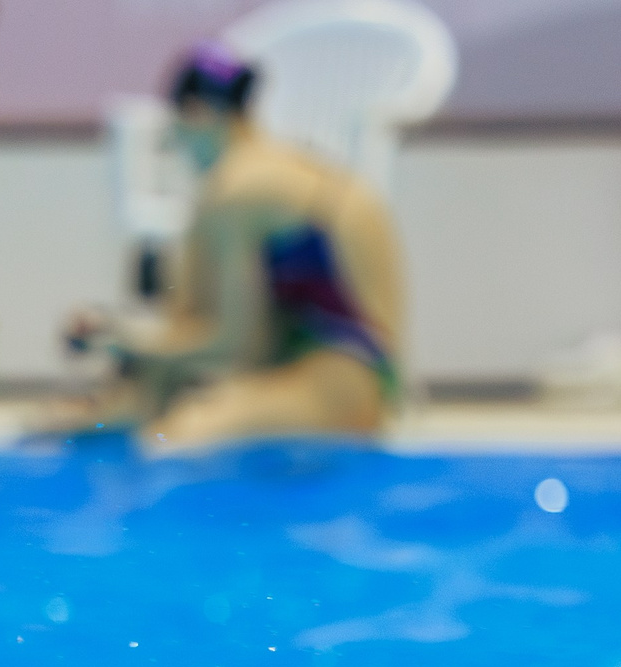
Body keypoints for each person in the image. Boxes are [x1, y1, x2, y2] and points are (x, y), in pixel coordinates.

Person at [62, 45, 404, 453]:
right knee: (136, 414)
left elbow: (235, 346)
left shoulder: (232, 189)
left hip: (337, 385)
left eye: (177, 130)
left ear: (197, 113)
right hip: (359, 379)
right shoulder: (290, 165)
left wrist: (120, 338)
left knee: (170, 440)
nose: (180, 148)